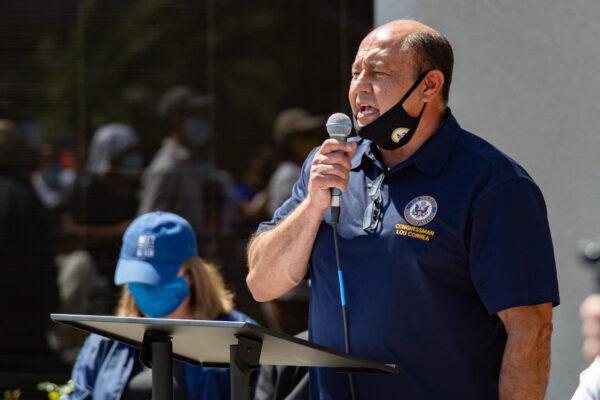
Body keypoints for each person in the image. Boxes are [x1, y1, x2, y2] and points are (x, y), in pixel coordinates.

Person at [247, 19, 559, 399]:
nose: (359, 86)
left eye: (378, 73)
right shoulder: (327, 167)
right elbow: (262, 283)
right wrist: (313, 204)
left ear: (429, 85)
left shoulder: (493, 184)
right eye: (355, 72)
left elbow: (531, 328)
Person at [68, 211, 254, 400]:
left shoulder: (238, 339)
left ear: (190, 275)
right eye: (137, 279)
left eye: (156, 278)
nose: (146, 288)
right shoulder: (107, 341)